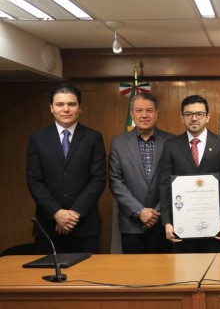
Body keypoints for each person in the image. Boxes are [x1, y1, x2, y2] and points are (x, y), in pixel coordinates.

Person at [26, 83, 106, 253]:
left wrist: (74, 214)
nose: (66, 109)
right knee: (48, 278)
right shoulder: (38, 138)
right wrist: (57, 213)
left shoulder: (93, 137)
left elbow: (98, 179)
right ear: (51, 108)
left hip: (85, 226)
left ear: (80, 108)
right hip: (49, 226)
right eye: (60, 104)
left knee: (88, 277)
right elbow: (34, 180)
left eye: (71, 104)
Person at [157, 95, 220, 253]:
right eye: (188, 114)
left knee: (215, 274)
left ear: (207, 117)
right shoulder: (171, 145)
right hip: (182, 227)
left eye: (199, 114)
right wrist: (166, 222)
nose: (194, 118)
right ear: (182, 118)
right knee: (185, 274)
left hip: (216, 226)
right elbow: (165, 185)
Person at [109, 92, 174, 254]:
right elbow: (116, 182)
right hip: (132, 224)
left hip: (163, 223)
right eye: (139, 110)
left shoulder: (172, 142)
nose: (144, 115)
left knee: (163, 274)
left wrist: (156, 212)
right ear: (132, 114)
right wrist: (139, 211)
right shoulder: (118, 143)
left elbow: (175, 180)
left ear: (156, 113)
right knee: (134, 275)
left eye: (149, 110)